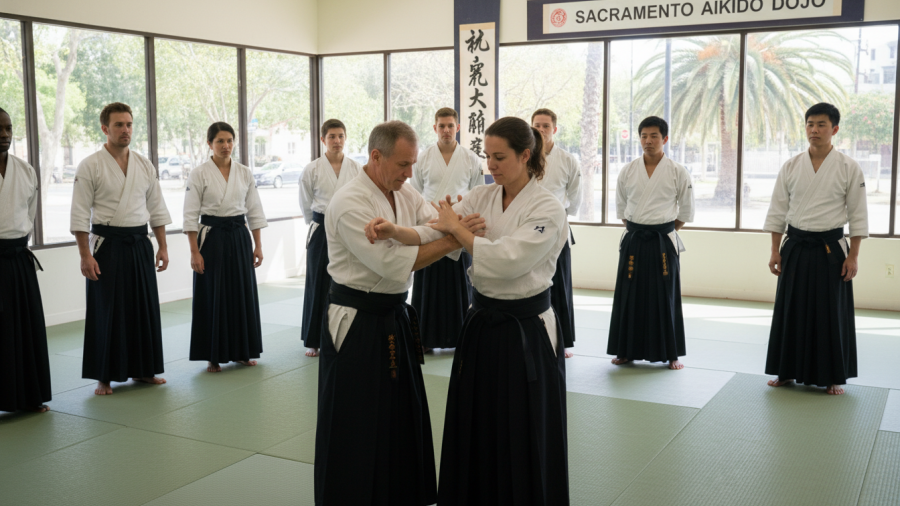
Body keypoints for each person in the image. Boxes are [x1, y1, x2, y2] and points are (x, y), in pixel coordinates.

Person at [386, 117, 569, 504]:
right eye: (488, 156)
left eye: (500, 157)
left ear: (526, 155)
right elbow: (439, 228)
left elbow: (507, 260)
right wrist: (395, 231)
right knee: (479, 423)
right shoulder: (484, 196)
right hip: (482, 324)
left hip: (525, 330)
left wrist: (459, 230)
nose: (491, 166)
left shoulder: (548, 208)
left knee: (522, 428)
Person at [314, 121, 483, 506]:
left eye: (412, 165)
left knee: (399, 418)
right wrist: (454, 236)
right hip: (356, 320)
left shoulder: (403, 193)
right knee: (355, 421)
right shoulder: (350, 202)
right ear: (376, 157)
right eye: (404, 165)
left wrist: (444, 229)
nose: (410, 174)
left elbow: (435, 223)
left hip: (393, 315)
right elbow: (394, 266)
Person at [764, 103, 867, 396]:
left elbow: (858, 214)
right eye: (810, 124)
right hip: (795, 245)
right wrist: (774, 250)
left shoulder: (848, 167)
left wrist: (854, 255)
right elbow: (777, 211)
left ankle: (833, 374)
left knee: (829, 312)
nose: (814, 130)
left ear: (834, 130)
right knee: (790, 309)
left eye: (821, 125)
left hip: (830, 248)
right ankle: (786, 370)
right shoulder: (792, 166)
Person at [70, 102, 172, 396]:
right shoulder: (90, 165)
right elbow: (79, 214)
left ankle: (145, 370)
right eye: (119, 125)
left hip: (140, 243)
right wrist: (84, 255)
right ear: (105, 129)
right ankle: (105, 375)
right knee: (107, 310)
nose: (125, 130)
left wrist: (162, 246)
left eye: (129, 124)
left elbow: (157, 208)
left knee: (144, 307)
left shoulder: (144, 164)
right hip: (106, 245)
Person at [606, 116, 693, 370]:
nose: (648, 141)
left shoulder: (678, 171)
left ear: (665, 139)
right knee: (628, 295)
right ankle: (625, 350)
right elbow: (622, 210)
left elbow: (685, 212)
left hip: (662, 241)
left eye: (654, 136)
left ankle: (671, 353)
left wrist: (662, 230)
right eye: (644, 136)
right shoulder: (628, 170)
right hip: (634, 239)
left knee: (664, 296)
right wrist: (639, 231)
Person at [184, 122, 267, 373]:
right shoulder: (199, 173)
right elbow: (190, 215)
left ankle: (243, 351)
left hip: (239, 236)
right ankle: (213, 355)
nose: (226, 146)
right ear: (209, 144)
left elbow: (254, 210)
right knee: (214, 294)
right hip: (211, 237)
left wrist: (258, 244)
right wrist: (194, 251)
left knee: (241, 294)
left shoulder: (244, 172)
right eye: (220, 141)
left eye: (229, 140)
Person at [409, 107, 483, 352]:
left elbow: (477, 194)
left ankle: (459, 339)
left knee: (459, 286)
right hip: (429, 224)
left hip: (459, 227)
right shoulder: (423, 158)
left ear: (458, 128)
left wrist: (461, 214)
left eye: (451, 125)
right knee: (427, 286)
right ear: (434, 128)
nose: (446, 130)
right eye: (442, 126)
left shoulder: (471, 158)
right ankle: (425, 340)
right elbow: (415, 194)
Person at [0, 107, 51, 413]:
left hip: (18, 257)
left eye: (7, 128)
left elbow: (29, 214)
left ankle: (29, 397)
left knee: (25, 329)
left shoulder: (26, 169)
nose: (4, 135)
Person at [298, 119, 362, 357]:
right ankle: (314, 339)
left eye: (341, 136)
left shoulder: (355, 168)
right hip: (321, 227)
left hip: (347, 228)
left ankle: (345, 334)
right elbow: (305, 204)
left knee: (347, 280)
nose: (337, 141)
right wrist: (318, 223)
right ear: (323, 139)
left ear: (346, 138)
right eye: (332, 137)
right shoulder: (312, 169)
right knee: (317, 282)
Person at [532, 108, 581, 359]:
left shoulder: (567, 159)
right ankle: (533, 337)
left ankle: (560, 342)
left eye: (546, 126)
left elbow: (574, 197)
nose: (541, 130)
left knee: (559, 284)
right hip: (528, 226)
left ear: (555, 129)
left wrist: (559, 216)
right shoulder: (525, 155)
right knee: (530, 280)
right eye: (537, 125)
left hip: (557, 226)